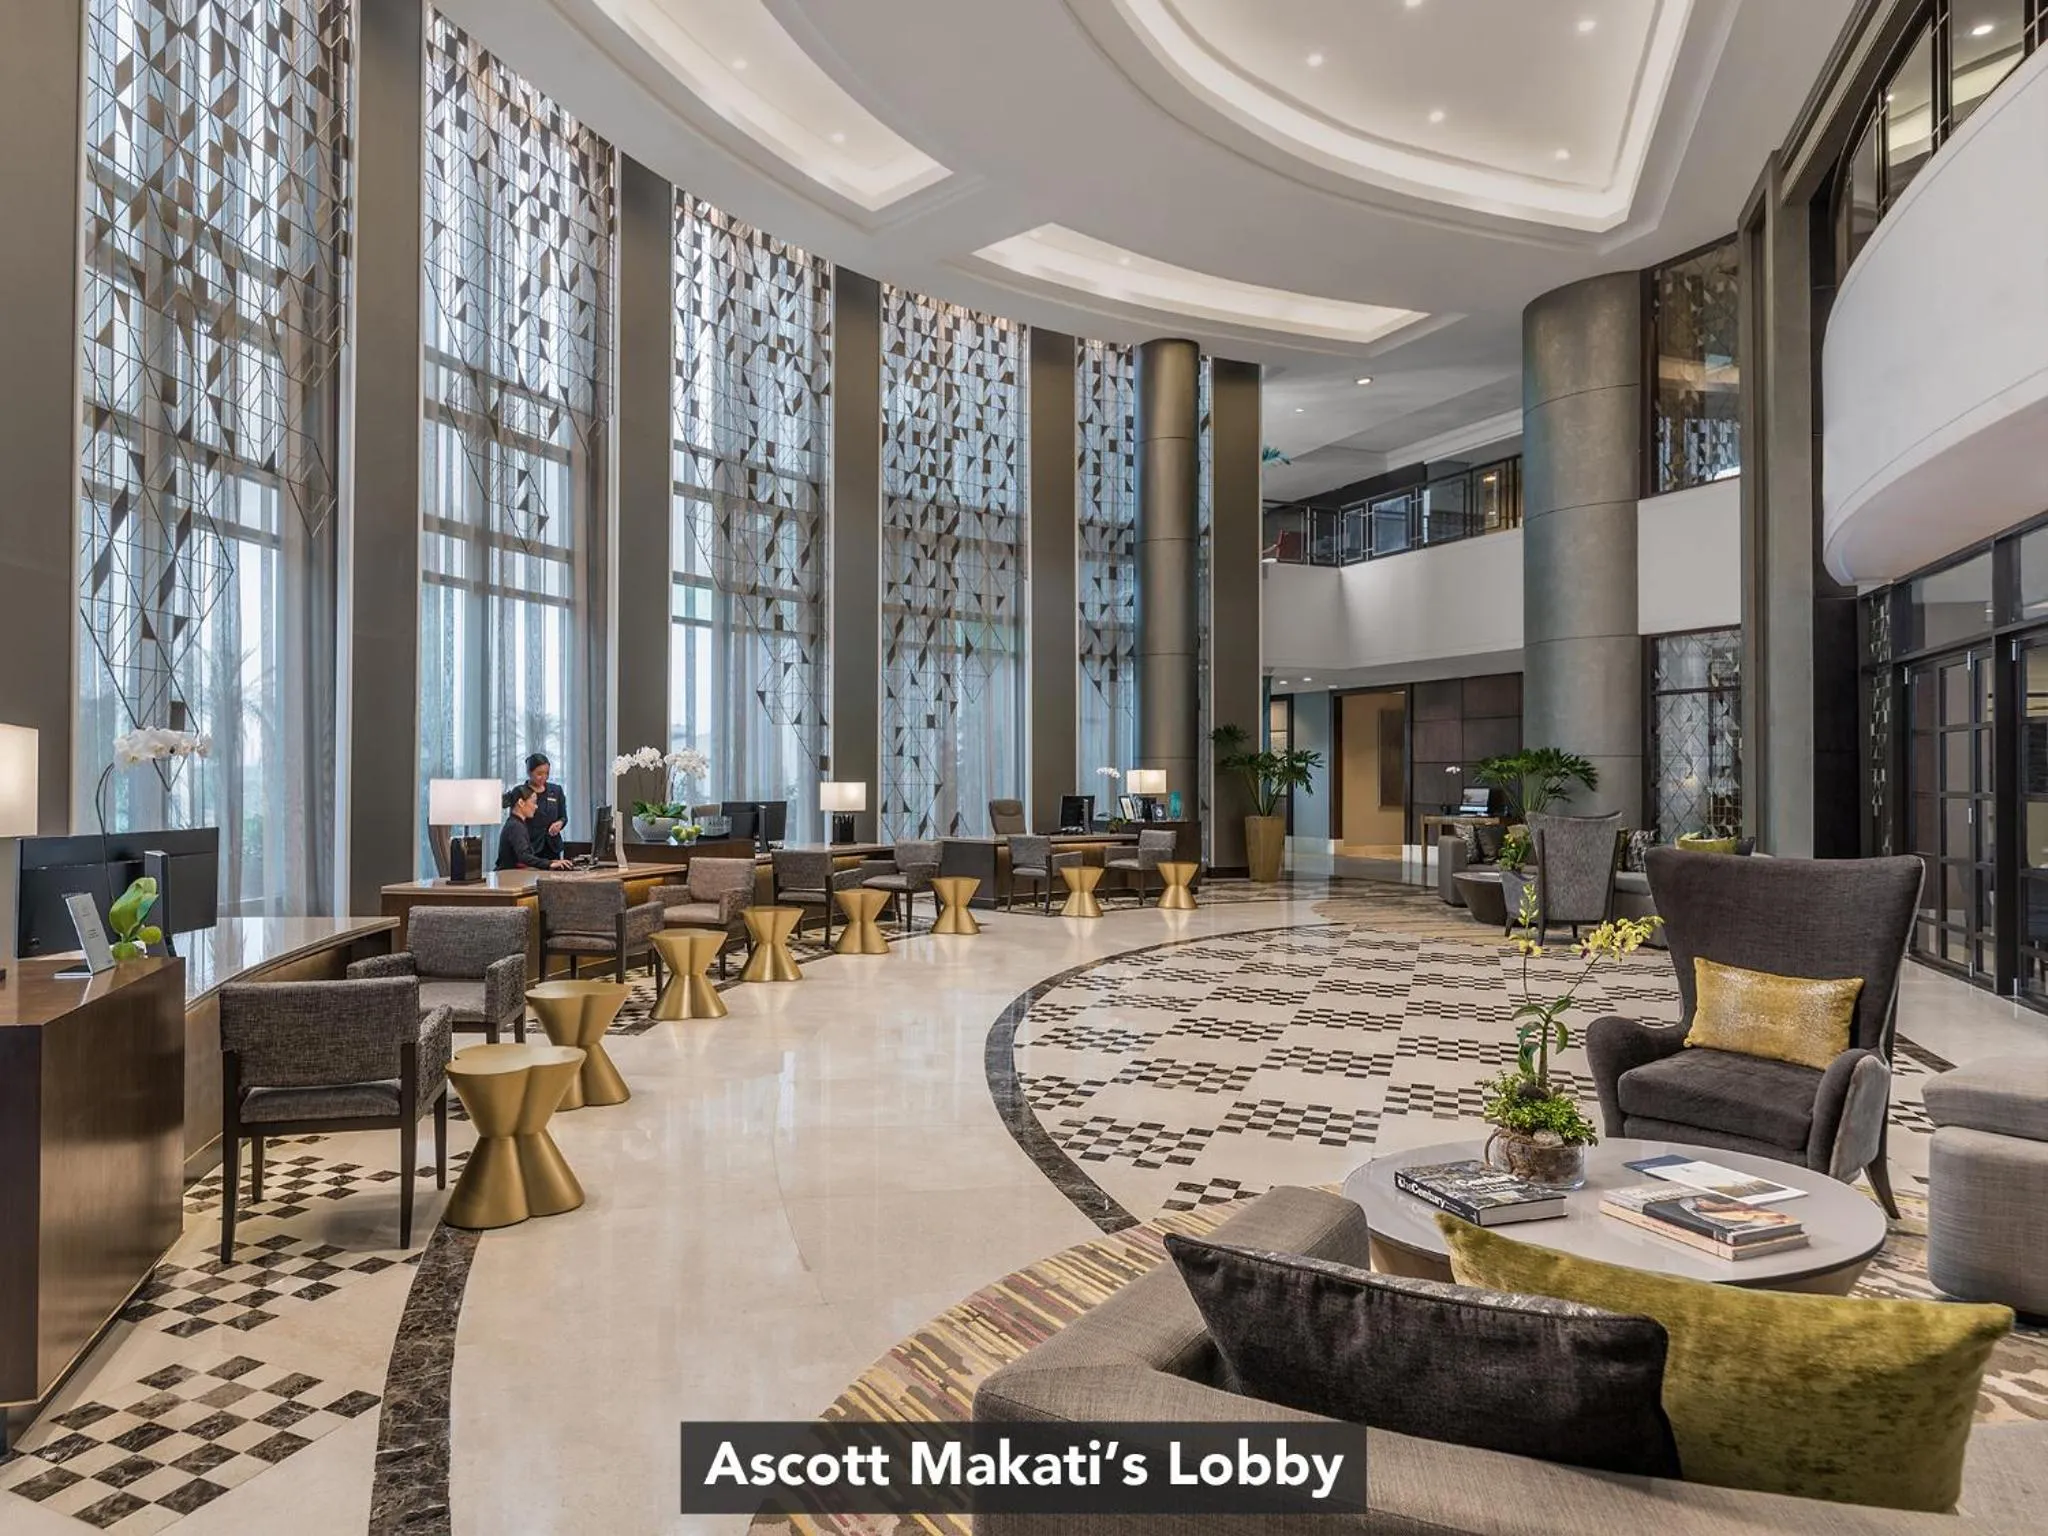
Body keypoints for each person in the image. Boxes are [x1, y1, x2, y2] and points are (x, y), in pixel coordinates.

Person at [498, 784, 573, 871]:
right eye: (534, 802)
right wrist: (549, 863)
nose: (536, 807)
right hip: (509, 876)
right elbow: (524, 857)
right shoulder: (515, 826)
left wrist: (550, 862)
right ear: (521, 803)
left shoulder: (516, 823)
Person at [516, 752, 568, 861]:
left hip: (552, 847)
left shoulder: (556, 790)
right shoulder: (521, 792)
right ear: (529, 772)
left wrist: (560, 823)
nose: (544, 777)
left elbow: (563, 817)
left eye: (547, 773)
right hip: (530, 847)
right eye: (539, 774)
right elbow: (516, 820)